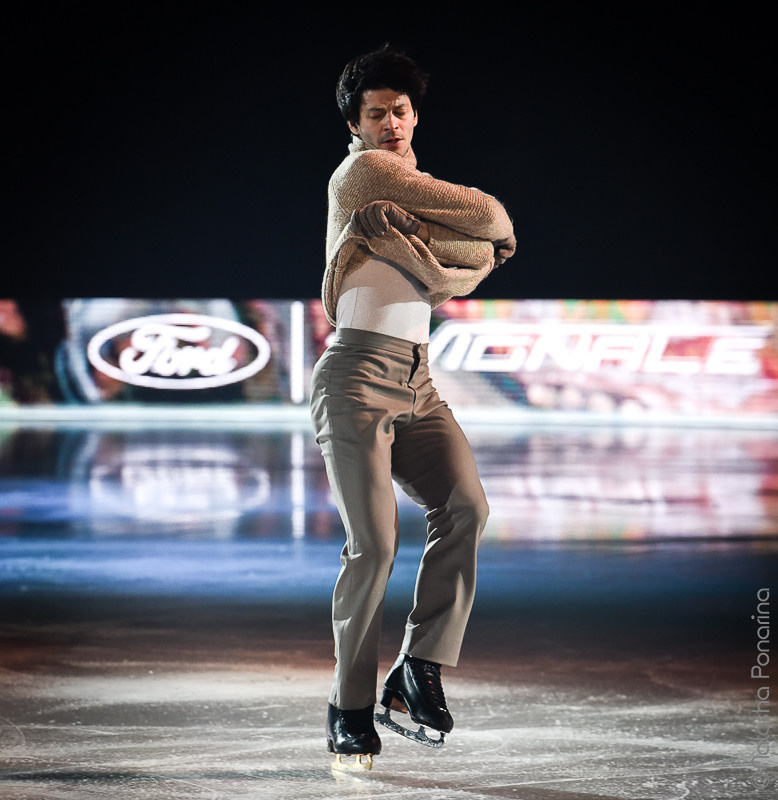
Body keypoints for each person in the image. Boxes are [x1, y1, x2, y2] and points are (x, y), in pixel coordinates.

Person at [310, 44, 516, 770]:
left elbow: (465, 272)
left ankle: (418, 666)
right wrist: (476, 245)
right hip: (355, 377)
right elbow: (490, 223)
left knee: (466, 509)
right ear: (356, 125)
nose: (391, 123)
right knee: (374, 546)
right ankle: (349, 707)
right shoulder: (361, 173)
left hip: (418, 379)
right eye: (376, 114)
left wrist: (457, 249)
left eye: (400, 111)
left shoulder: (415, 190)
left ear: (414, 114)